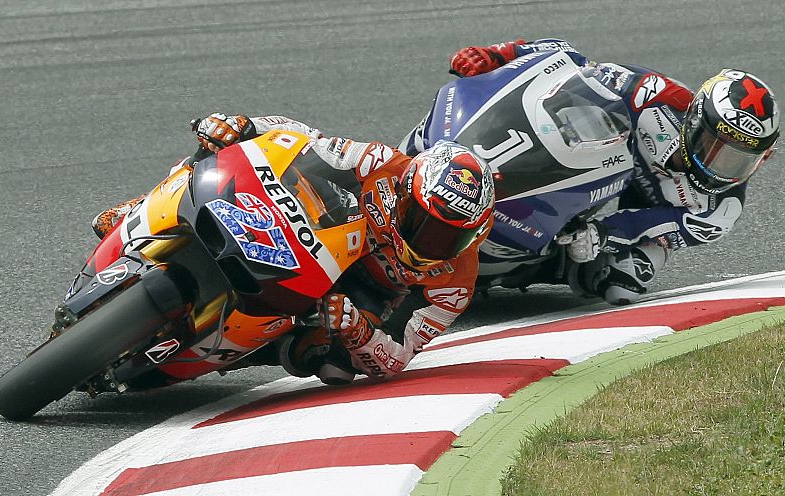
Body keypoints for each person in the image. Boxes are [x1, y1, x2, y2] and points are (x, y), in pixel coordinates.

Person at [94, 113, 495, 382]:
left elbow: (398, 356)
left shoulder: (455, 284)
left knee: (334, 366)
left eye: (449, 237)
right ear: (407, 193)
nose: (432, 241)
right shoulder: (380, 163)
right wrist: (245, 126)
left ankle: (243, 350)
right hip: (328, 229)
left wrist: (358, 331)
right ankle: (145, 206)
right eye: (426, 223)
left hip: (357, 291)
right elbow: (301, 139)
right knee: (218, 149)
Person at [406, 38, 780, 305]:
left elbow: (642, 226)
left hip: (645, 215)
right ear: (695, 122)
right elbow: (568, 60)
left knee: (621, 284)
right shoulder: (655, 95)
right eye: (714, 147)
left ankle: (546, 263)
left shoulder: (719, 211)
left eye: (739, 159)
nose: (718, 167)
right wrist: (498, 55)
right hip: (601, 161)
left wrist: (600, 234)